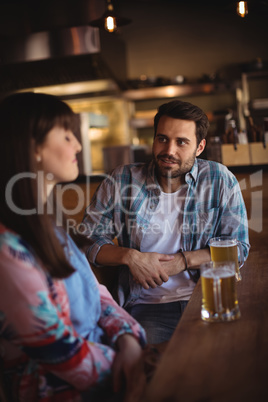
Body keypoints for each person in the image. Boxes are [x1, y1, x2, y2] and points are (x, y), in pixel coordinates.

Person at [0, 92, 147, 402]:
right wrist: (135, 371)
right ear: (33, 147)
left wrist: (129, 341)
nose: (78, 145)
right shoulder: (7, 249)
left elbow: (98, 296)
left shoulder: (51, 227)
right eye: (67, 135)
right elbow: (58, 350)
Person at [82, 99, 250, 344]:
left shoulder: (219, 179)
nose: (169, 150)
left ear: (200, 147)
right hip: (147, 307)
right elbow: (86, 242)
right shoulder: (123, 180)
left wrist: (184, 261)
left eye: (181, 142)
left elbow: (238, 249)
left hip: (206, 298)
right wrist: (130, 257)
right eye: (162, 138)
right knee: (155, 376)